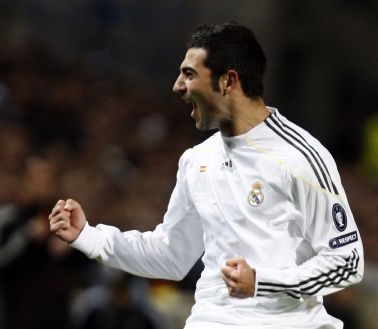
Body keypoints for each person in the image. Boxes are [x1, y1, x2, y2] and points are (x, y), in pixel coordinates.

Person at [48, 22, 364, 329]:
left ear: (228, 81)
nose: (177, 86)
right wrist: (87, 236)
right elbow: (170, 255)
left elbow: (347, 260)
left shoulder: (300, 155)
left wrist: (261, 283)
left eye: (189, 74)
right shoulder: (197, 160)